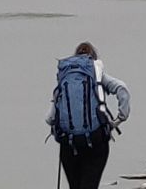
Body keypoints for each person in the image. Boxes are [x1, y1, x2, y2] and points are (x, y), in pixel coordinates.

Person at [48, 42, 130, 189]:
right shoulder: (97, 74)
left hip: (69, 143)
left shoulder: (65, 77)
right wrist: (119, 119)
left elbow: (50, 118)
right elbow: (122, 88)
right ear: (93, 58)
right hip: (96, 139)